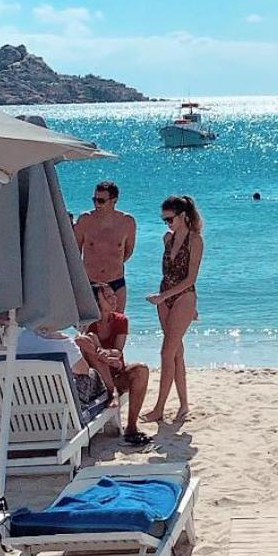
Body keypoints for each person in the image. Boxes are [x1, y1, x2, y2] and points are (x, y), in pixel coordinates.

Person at [146, 195, 204, 425]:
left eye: (170, 219)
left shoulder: (195, 240)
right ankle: (184, 404)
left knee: (166, 352)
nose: (167, 224)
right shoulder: (167, 238)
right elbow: (168, 273)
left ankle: (159, 408)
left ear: (183, 216)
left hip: (183, 297)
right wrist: (162, 297)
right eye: (164, 220)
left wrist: (164, 297)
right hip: (165, 296)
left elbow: (190, 279)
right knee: (176, 352)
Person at [85, 283, 153, 446]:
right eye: (107, 297)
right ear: (96, 302)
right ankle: (111, 392)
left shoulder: (120, 320)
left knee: (141, 369)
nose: (114, 299)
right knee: (90, 346)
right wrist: (104, 355)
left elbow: (118, 351)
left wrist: (107, 354)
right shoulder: (89, 324)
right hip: (97, 381)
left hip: (116, 375)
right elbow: (89, 352)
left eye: (113, 295)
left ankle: (131, 426)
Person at [74, 181, 137, 312]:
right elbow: (75, 252)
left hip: (116, 282)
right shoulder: (85, 220)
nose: (97, 204)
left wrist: (111, 263)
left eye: (101, 201)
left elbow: (128, 251)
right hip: (90, 282)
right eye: (95, 200)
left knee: (117, 322)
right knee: (90, 323)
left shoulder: (127, 222)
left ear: (114, 201)